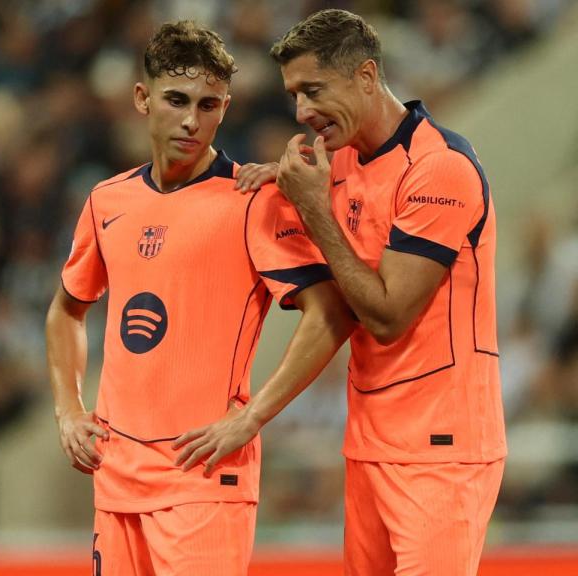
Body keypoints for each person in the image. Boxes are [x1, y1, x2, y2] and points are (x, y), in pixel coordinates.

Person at [45, 20, 355, 575]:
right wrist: (70, 411)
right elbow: (67, 309)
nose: (192, 120)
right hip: (116, 477)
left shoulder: (251, 201)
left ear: (226, 108)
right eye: (177, 99)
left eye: (209, 104)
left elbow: (329, 313)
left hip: (205, 478)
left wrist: (252, 418)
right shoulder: (106, 200)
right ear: (142, 98)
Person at [264, 9, 506, 575]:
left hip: (441, 451)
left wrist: (315, 212)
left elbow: (388, 316)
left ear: (367, 76)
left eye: (313, 90)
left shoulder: (440, 169)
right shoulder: (340, 161)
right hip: (368, 441)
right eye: (294, 95)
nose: (302, 111)